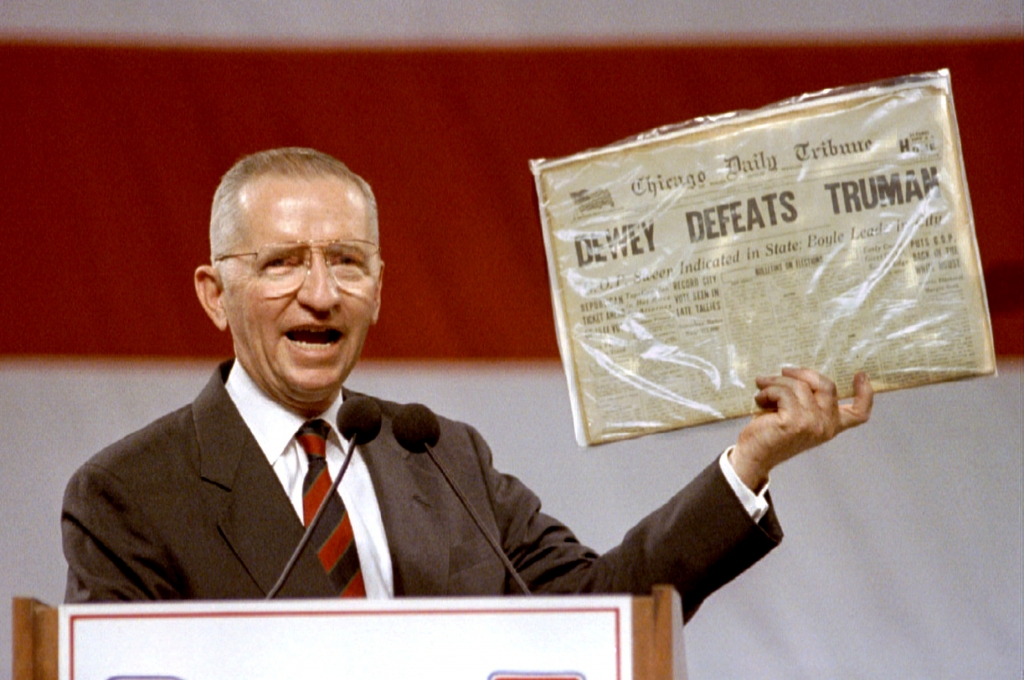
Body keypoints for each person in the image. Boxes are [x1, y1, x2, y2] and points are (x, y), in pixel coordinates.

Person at [62, 147, 873, 621]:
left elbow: (600, 606)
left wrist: (751, 462)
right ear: (214, 293)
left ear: (378, 286)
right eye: (281, 263)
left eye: (347, 261)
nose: (320, 292)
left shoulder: (440, 455)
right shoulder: (129, 494)